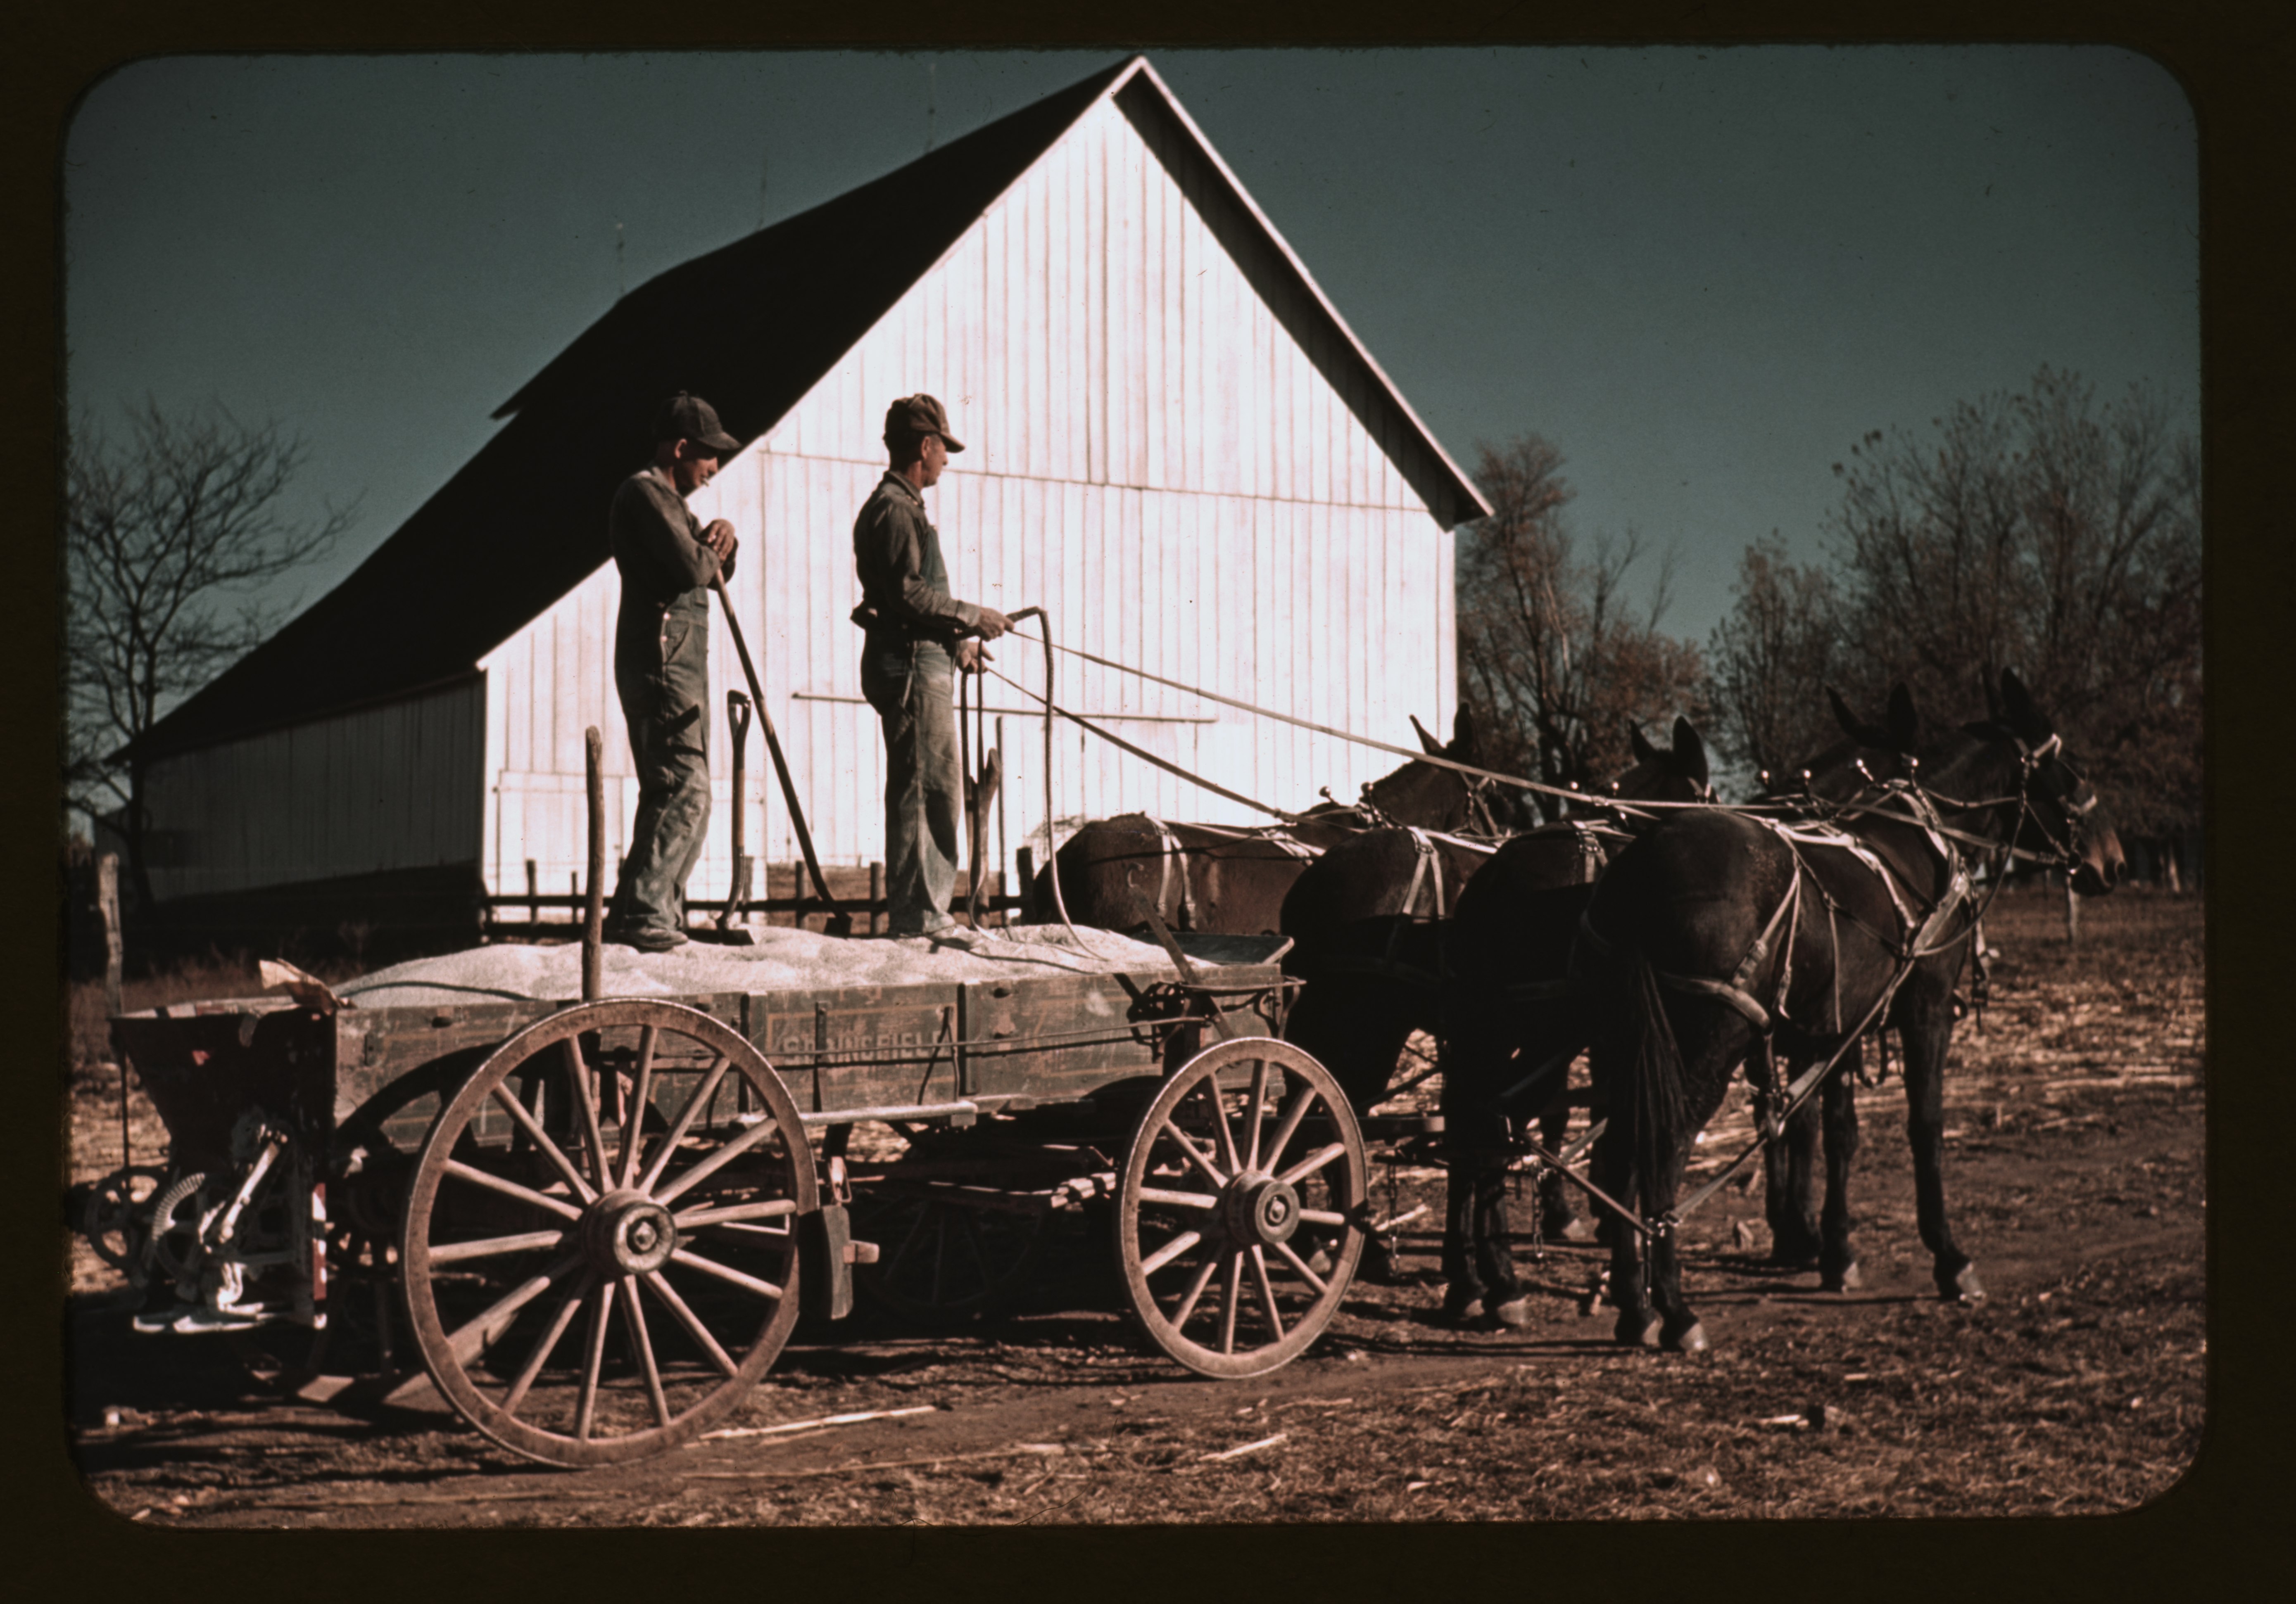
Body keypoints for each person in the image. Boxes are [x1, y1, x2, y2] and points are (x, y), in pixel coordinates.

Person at [851, 394, 1011, 939]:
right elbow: (907, 594)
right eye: (943, 448)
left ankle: (922, 910)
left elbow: (908, 600)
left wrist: (958, 641)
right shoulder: (896, 510)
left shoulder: (900, 508)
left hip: (920, 660)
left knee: (930, 785)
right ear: (925, 445)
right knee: (928, 788)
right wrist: (971, 617)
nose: (946, 459)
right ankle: (921, 915)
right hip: (914, 671)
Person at [601, 392, 743, 952]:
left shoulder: (674, 505)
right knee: (684, 786)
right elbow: (691, 566)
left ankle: (657, 912)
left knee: (685, 788)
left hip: (678, 666)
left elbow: (703, 561)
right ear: (681, 447)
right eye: (709, 456)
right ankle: (644, 914)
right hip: (662, 665)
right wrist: (716, 545)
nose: (713, 470)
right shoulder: (644, 493)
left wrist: (723, 536)